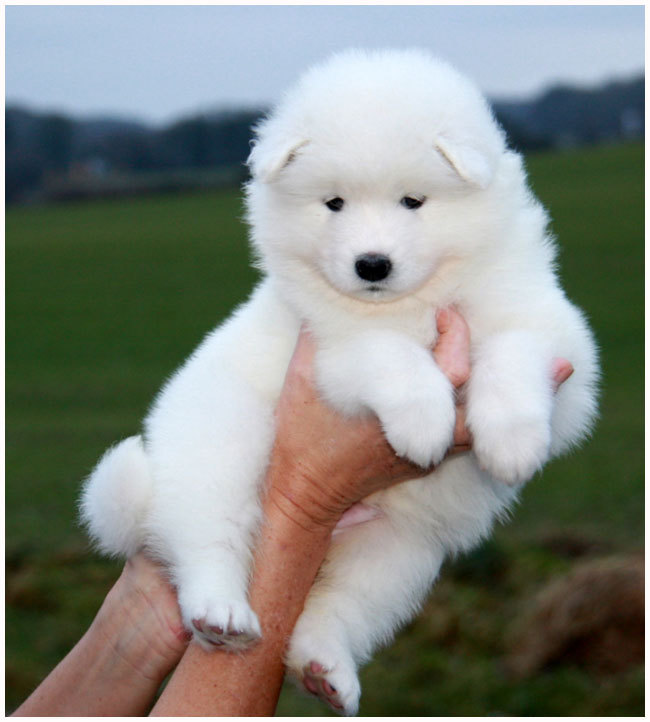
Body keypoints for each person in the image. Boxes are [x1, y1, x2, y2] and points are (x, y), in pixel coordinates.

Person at [12, 309, 573, 716]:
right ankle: (209, 574)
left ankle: (328, 632)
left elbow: (565, 369)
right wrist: (304, 500)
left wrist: (147, 602)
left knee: (407, 548)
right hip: (252, 462)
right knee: (225, 447)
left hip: (389, 509)